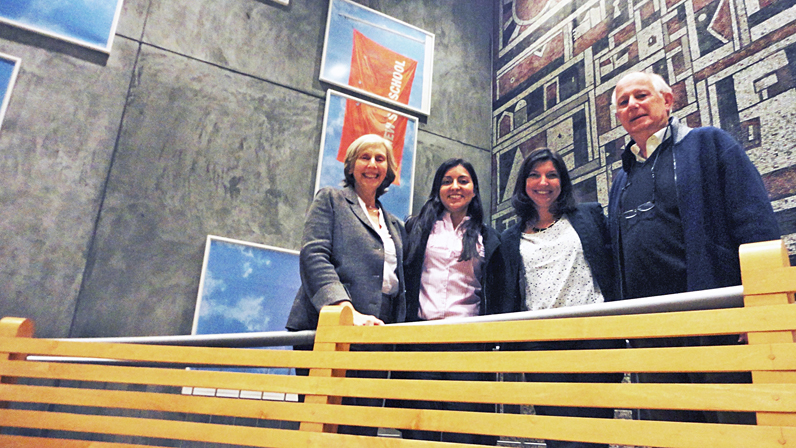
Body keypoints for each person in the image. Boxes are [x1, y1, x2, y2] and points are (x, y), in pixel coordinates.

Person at [608, 71, 781, 423]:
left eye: (641, 95)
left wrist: (759, 307)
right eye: (623, 102)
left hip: (715, 323)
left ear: (668, 100)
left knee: (734, 429)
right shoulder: (621, 179)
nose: (633, 106)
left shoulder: (709, 144)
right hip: (651, 335)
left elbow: (755, 223)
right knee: (673, 433)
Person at [285, 134, 406, 436]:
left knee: (362, 429)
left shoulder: (396, 225)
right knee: (323, 428)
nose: (372, 164)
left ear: (388, 170)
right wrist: (344, 309)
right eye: (365, 157)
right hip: (330, 328)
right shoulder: (331, 199)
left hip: (378, 335)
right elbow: (314, 255)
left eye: (380, 159)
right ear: (351, 166)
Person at [502, 148, 623, 448]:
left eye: (551, 175)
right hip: (542, 344)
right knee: (557, 434)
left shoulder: (590, 215)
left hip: (594, 338)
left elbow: (613, 266)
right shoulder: (509, 237)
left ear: (563, 181)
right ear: (523, 183)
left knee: (594, 432)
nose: (543, 182)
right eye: (534, 175)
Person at [395, 158, 505, 445]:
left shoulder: (487, 236)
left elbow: (496, 289)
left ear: (474, 189)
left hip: (467, 341)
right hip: (421, 339)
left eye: (463, 181)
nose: (455, 187)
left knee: (465, 424)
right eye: (447, 181)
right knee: (419, 425)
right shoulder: (416, 228)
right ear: (437, 188)